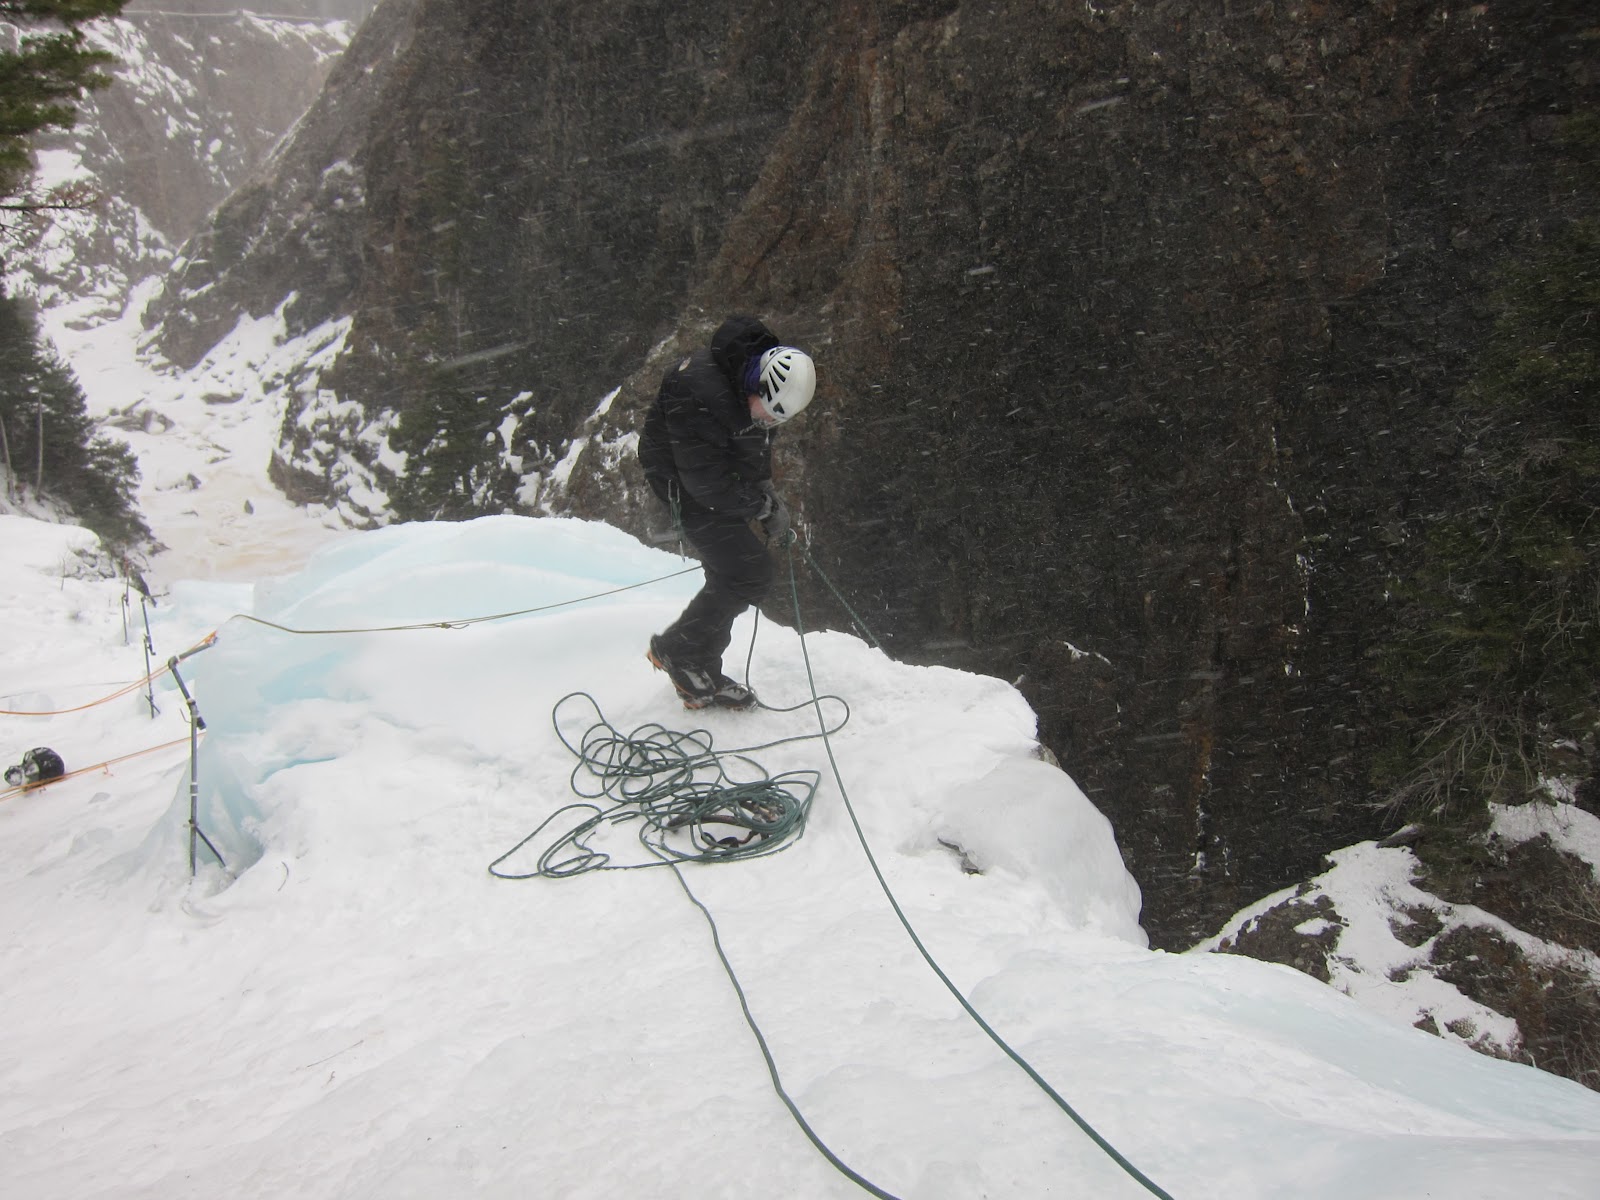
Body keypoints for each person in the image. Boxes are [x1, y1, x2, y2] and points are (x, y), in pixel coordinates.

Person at [638, 315, 817, 710]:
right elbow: (705, 482)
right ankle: (676, 651)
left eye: (776, 418)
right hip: (682, 484)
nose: (768, 420)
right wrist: (759, 505)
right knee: (747, 571)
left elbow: (753, 443)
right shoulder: (699, 393)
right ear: (756, 385)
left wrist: (764, 491)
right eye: (767, 411)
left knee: (735, 572)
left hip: (715, 478)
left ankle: (701, 668)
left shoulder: (754, 388)